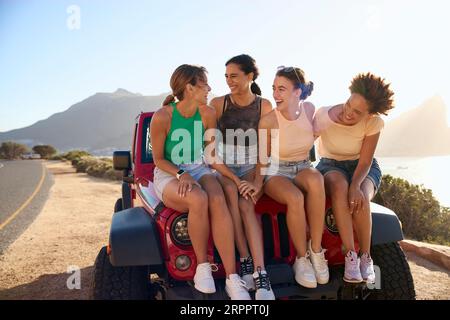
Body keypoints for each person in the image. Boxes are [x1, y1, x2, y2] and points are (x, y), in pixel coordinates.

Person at [150, 64, 250, 300]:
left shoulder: (207, 114)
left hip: (200, 169)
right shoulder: (162, 116)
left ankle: (232, 279)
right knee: (198, 198)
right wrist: (180, 173)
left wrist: (234, 179)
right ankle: (202, 268)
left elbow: (211, 155)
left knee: (217, 198)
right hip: (169, 173)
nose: (209, 88)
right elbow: (159, 159)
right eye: (204, 83)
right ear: (189, 87)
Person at [246, 66, 329, 288]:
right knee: (295, 198)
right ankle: (301, 260)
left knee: (317, 180)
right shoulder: (268, 121)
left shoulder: (310, 110)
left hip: (303, 165)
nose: (275, 94)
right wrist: (256, 183)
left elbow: (325, 127)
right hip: (276, 172)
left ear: (297, 92)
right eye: (274, 88)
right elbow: (262, 159)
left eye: (282, 89)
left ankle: (317, 252)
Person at [313, 72, 394, 284]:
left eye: (357, 112)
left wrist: (356, 185)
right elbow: (302, 141)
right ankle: (351, 257)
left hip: (362, 167)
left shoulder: (373, 123)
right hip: (331, 165)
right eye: (349, 104)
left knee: (361, 197)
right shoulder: (323, 114)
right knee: (340, 187)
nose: (348, 112)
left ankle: (366, 257)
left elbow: (365, 161)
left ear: (368, 114)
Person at [209, 54, 275, 300]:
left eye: (234, 76)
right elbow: (211, 148)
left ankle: (261, 275)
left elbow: (265, 148)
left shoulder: (264, 105)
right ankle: (244, 260)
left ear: (250, 76)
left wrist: (258, 181)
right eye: (226, 76)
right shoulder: (219, 104)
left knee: (248, 205)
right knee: (232, 201)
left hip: (251, 165)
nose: (229, 81)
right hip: (224, 167)